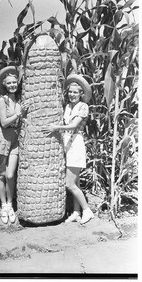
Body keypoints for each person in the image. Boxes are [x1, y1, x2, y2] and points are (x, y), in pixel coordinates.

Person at [43, 73, 94, 224]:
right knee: (75, 182)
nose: (72, 95)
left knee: (69, 183)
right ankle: (76, 212)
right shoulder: (67, 107)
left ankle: (87, 210)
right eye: (70, 92)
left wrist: (56, 127)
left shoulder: (83, 107)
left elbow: (73, 126)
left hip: (76, 144)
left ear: (81, 94)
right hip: (67, 144)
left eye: (75, 92)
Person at [0, 66, 28, 224]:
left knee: (11, 174)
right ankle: (4, 206)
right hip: (2, 138)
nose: (12, 85)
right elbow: (4, 123)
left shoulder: (19, 100)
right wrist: (19, 114)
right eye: (9, 83)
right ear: (4, 85)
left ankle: (10, 204)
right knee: (1, 174)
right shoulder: (2, 100)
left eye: (14, 82)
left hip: (14, 140)